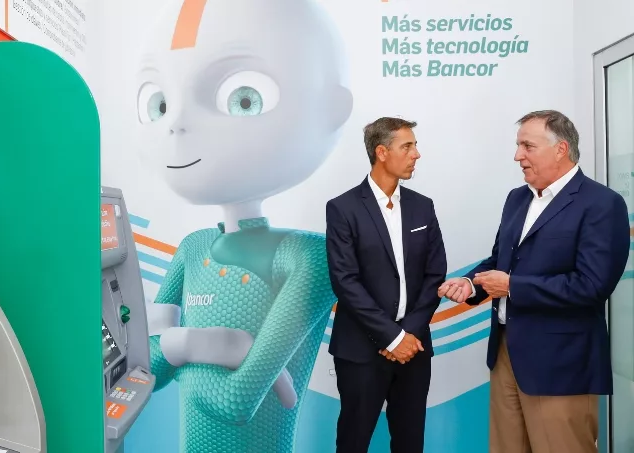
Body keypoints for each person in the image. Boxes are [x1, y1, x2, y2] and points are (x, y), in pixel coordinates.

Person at [136, 0, 353, 452]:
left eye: (245, 98)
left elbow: (235, 402)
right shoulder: (193, 247)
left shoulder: (310, 257)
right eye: (160, 104)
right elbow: (149, 371)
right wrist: (211, 345)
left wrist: (179, 348)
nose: (177, 125)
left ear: (329, 108)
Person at [438, 110, 630, 453]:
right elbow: (499, 261)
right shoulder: (517, 198)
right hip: (505, 355)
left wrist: (512, 286)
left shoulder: (602, 204)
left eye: (527, 146)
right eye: (518, 146)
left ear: (561, 149)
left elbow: (592, 285)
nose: (518, 156)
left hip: (561, 365)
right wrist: (471, 284)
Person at [325, 117, 447, 453]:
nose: (416, 154)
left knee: (410, 442)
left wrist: (408, 334)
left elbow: (435, 273)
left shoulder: (423, 206)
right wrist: (392, 337)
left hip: (414, 348)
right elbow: (345, 281)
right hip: (361, 350)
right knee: (353, 441)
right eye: (407, 146)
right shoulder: (343, 209)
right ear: (381, 152)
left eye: (415, 146)